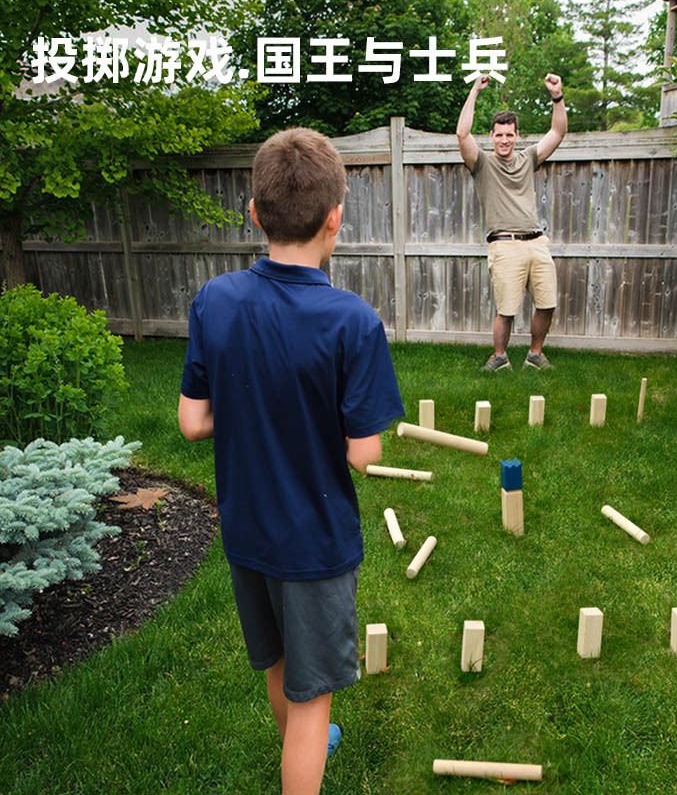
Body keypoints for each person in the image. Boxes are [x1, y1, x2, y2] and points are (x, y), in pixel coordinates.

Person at [178, 128, 405, 795]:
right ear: (336, 218)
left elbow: (192, 420)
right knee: (313, 708)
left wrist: (254, 410)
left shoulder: (214, 300)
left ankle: (298, 748)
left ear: (254, 212)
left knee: (280, 666)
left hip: (247, 533)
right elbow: (364, 453)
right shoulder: (352, 322)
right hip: (314, 543)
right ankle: (305, 754)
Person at [457, 73, 567, 371]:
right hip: (505, 245)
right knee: (506, 310)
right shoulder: (481, 163)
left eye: (509, 134)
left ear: (517, 136)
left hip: (537, 243)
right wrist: (474, 92)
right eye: (499, 134)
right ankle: (500, 357)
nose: (504, 140)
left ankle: (534, 354)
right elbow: (462, 135)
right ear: (491, 136)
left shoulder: (528, 158)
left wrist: (557, 96)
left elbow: (557, 133)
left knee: (547, 303)